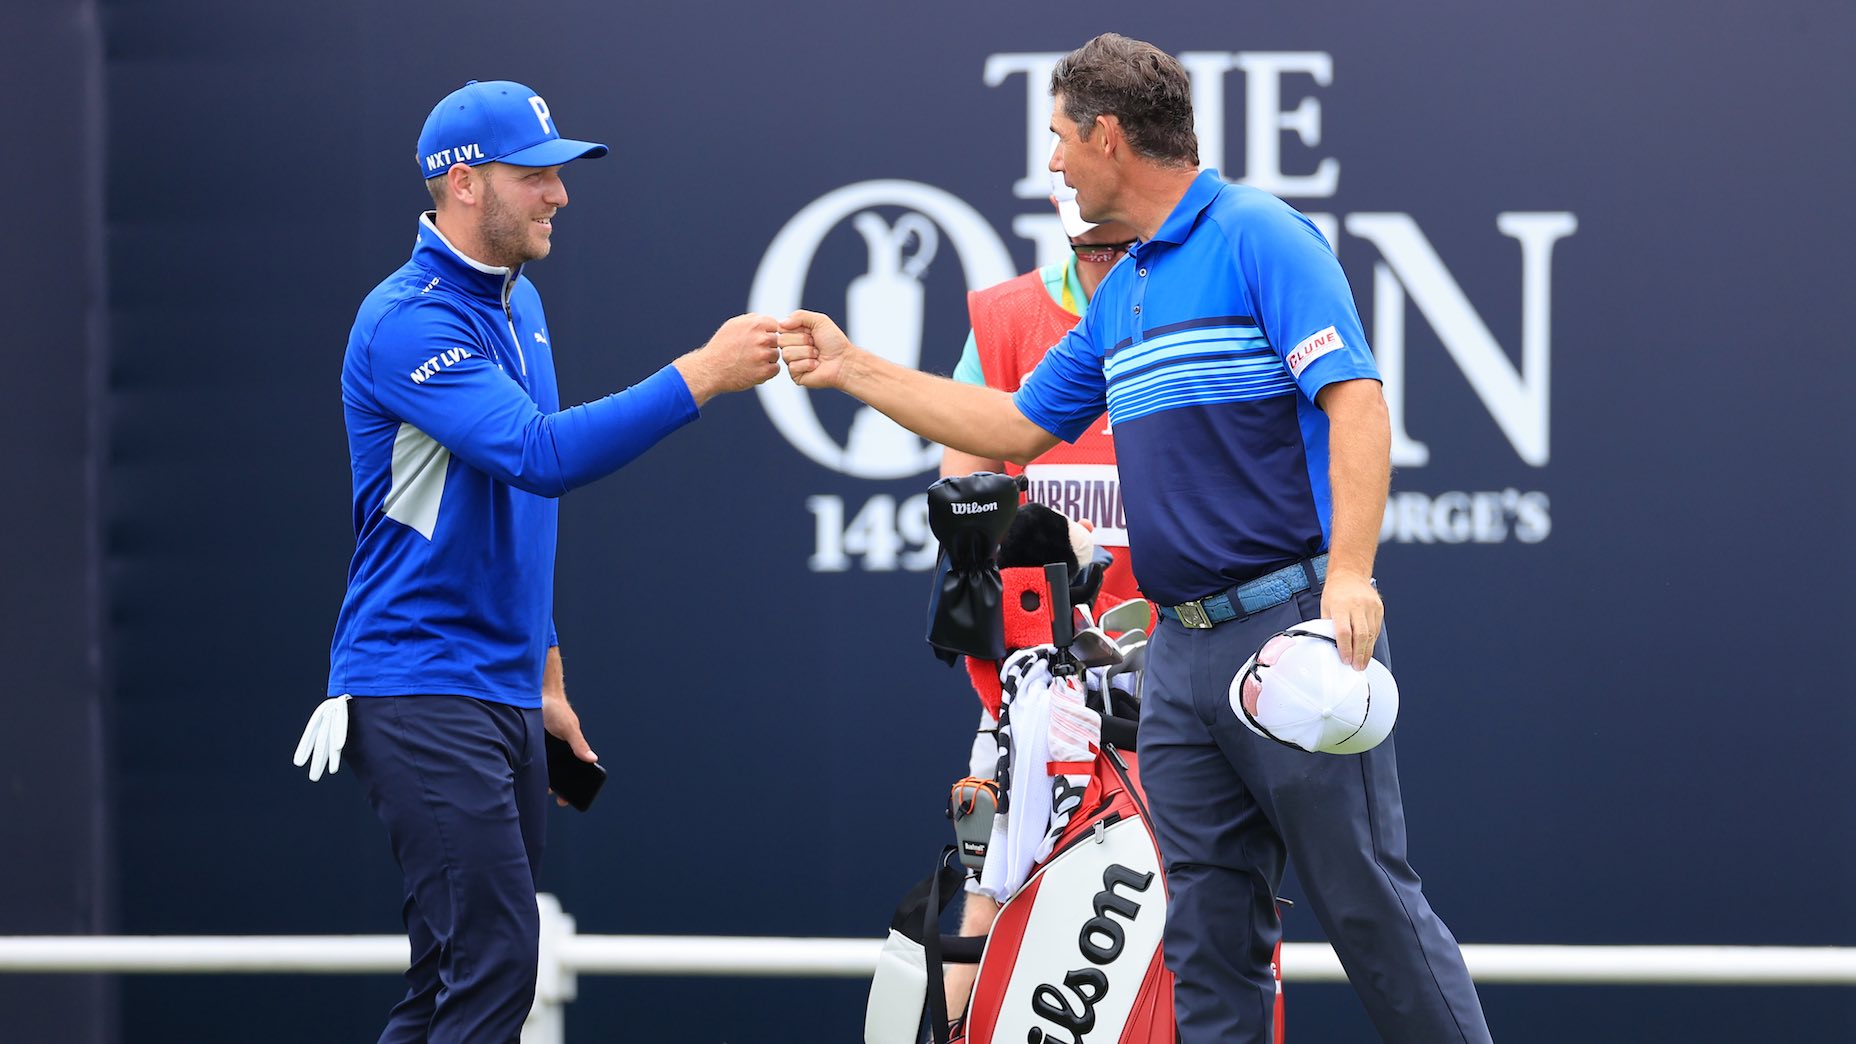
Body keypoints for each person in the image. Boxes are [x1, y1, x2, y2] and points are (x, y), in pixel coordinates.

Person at [781, 35, 1494, 1044]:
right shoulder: (1126, 289)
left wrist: (1349, 573)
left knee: (1367, 908)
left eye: (1059, 139)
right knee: (1203, 936)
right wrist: (852, 368)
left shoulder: (1260, 236)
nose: (1053, 164)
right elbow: (1012, 427)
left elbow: (1358, 402)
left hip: (1285, 632)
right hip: (1178, 660)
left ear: (1106, 135)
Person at [296, 79, 779, 1043]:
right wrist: (706, 373)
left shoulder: (521, 305)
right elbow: (542, 456)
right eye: (536, 176)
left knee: (452, 975)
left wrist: (545, 673)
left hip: (501, 689)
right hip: (419, 682)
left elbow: (513, 500)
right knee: (498, 959)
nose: (559, 196)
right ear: (463, 184)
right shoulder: (408, 320)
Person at [937, 170, 1144, 1018]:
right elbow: (959, 502)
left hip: (1177, 669)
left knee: (1184, 894)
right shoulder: (1009, 318)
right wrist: (1043, 536)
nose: (1102, 270)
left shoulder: (1192, 314)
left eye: (1119, 251)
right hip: (1038, 678)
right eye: (1085, 251)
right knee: (993, 890)